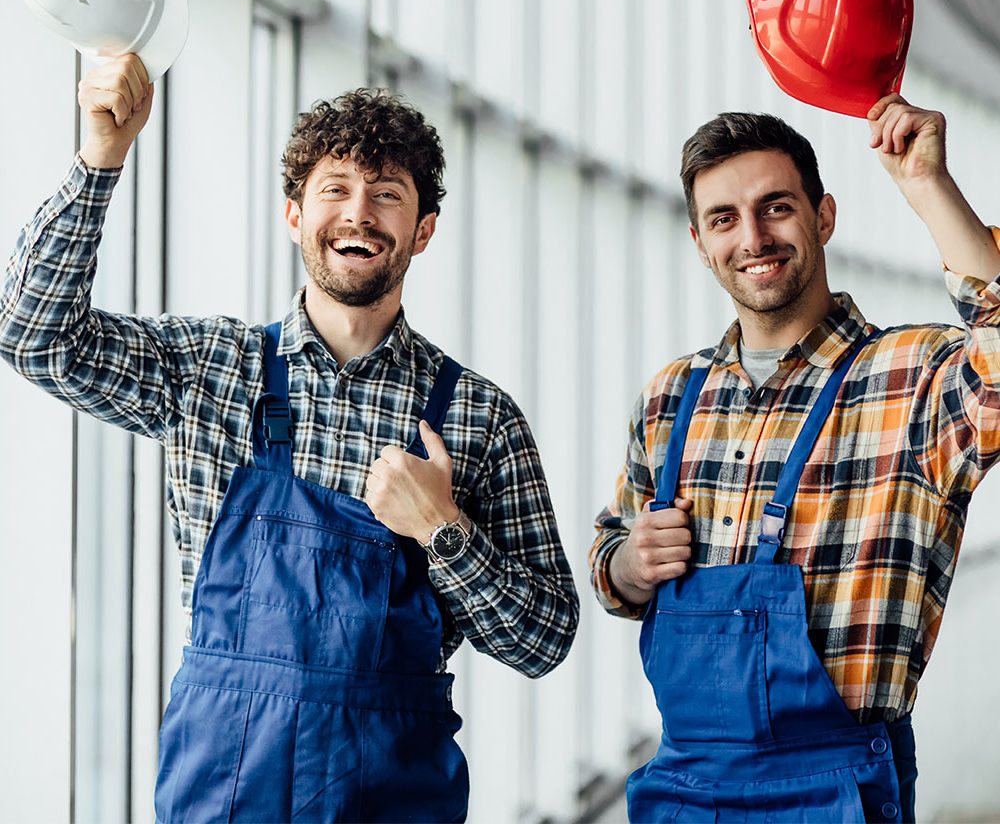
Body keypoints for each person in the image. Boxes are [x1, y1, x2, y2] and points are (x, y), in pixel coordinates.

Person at [0, 55, 579, 823]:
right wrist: (102, 157)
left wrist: (444, 531)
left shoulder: (476, 416)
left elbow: (544, 639)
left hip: (393, 795)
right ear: (295, 216)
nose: (359, 212)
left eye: (388, 196)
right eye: (335, 190)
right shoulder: (210, 369)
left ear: (424, 230)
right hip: (225, 789)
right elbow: (35, 337)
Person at [589, 94, 1000, 823]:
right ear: (698, 240)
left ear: (824, 217)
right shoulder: (670, 398)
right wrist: (627, 564)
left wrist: (928, 188)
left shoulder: (912, 376)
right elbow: (611, 558)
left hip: (833, 793)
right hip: (681, 789)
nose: (753, 236)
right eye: (724, 218)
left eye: (776, 207)